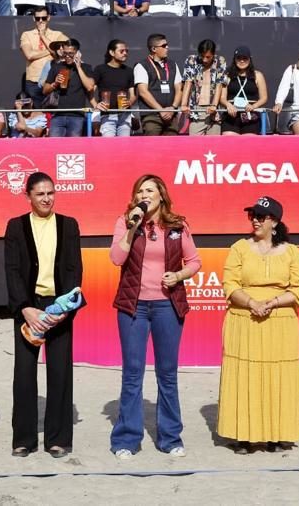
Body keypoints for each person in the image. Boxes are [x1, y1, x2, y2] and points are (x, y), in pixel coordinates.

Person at [109, 174, 202, 458]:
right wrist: (130, 227)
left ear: (161, 194)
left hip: (167, 306)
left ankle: (171, 438)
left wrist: (179, 275)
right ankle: (126, 439)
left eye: (149, 190)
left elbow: (195, 261)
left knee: (167, 374)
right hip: (133, 306)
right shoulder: (126, 221)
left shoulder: (177, 225)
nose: (144, 195)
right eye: (140, 191)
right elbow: (116, 259)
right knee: (132, 374)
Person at [218, 196, 299, 454]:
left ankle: (277, 436)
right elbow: (230, 285)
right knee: (245, 376)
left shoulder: (292, 252)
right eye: (253, 215)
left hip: (280, 322)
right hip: (244, 319)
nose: (255, 219)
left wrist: (273, 302)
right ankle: (243, 436)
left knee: (279, 378)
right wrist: (251, 303)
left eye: (262, 215)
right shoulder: (239, 248)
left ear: (276, 221)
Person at [4, 172, 83, 459]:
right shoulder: (15, 226)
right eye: (40, 194)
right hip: (28, 307)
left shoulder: (69, 224)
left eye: (50, 192)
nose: (46, 198)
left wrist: (64, 310)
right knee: (24, 374)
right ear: (28, 197)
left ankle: (57, 438)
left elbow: (75, 269)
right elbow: (11, 270)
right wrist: (25, 308)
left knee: (60, 372)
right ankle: (24, 439)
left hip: (60, 307)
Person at [43, 39, 94, 137]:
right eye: (65, 53)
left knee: (74, 147)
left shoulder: (86, 67)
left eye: (70, 54)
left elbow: (89, 87)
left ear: (77, 53)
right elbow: (45, 90)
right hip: (57, 115)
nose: (67, 56)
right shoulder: (56, 67)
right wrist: (55, 83)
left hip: (77, 115)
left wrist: (78, 67)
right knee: (54, 146)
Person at [134, 34, 182, 136]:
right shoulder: (142, 66)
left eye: (167, 45)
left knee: (172, 148)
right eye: (164, 46)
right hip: (151, 116)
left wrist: (173, 108)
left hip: (171, 114)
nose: (167, 48)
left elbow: (179, 88)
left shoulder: (173, 64)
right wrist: (160, 110)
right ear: (154, 49)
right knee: (152, 148)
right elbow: (143, 92)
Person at [20, 7, 68, 105]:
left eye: (43, 18)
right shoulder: (26, 35)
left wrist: (42, 35)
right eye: (38, 18)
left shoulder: (57, 35)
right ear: (34, 18)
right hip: (33, 81)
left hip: (53, 81)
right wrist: (53, 50)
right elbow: (29, 55)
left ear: (48, 17)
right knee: (37, 114)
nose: (41, 21)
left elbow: (66, 51)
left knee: (52, 113)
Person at [180, 39, 227, 136]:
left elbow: (219, 85)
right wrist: (184, 104)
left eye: (208, 57)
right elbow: (188, 83)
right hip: (197, 111)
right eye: (202, 56)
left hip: (214, 111)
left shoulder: (220, 61)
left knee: (214, 147)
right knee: (194, 145)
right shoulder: (191, 60)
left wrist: (214, 105)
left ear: (213, 54)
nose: (205, 59)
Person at [219, 46, 267, 136]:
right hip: (231, 116)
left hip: (250, 115)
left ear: (250, 59)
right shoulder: (227, 75)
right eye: (239, 58)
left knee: (249, 142)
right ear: (234, 59)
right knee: (229, 140)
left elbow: (264, 98)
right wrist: (228, 105)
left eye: (245, 58)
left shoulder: (258, 75)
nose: (242, 61)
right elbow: (222, 98)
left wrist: (254, 106)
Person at [91, 39, 135, 138]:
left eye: (126, 51)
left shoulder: (129, 71)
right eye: (121, 51)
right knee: (108, 147)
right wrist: (95, 105)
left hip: (125, 116)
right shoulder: (100, 69)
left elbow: (133, 94)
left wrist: (130, 102)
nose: (125, 53)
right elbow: (90, 90)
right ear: (111, 52)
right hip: (107, 115)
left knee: (125, 147)